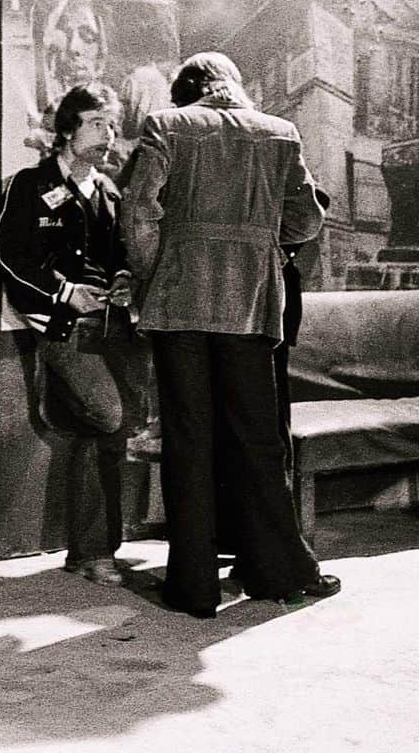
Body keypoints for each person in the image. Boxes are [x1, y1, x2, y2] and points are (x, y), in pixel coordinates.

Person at [121, 51, 341, 618]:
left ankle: (192, 586)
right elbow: (308, 220)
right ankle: (279, 572)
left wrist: (154, 271)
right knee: (258, 442)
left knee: (189, 442)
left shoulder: (167, 126)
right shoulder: (280, 133)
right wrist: (262, 245)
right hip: (249, 307)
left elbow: (138, 212)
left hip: (179, 305)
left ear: (187, 90)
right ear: (234, 87)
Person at [0, 82, 153, 586]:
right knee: (107, 417)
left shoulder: (109, 190)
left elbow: (122, 257)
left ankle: (90, 552)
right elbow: (9, 258)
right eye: (95, 124)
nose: (108, 135)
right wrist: (65, 294)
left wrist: (125, 279)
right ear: (67, 130)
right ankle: (96, 552)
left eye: (111, 125)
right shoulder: (28, 185)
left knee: (110, 428)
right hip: (61, 327)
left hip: (110, 327)